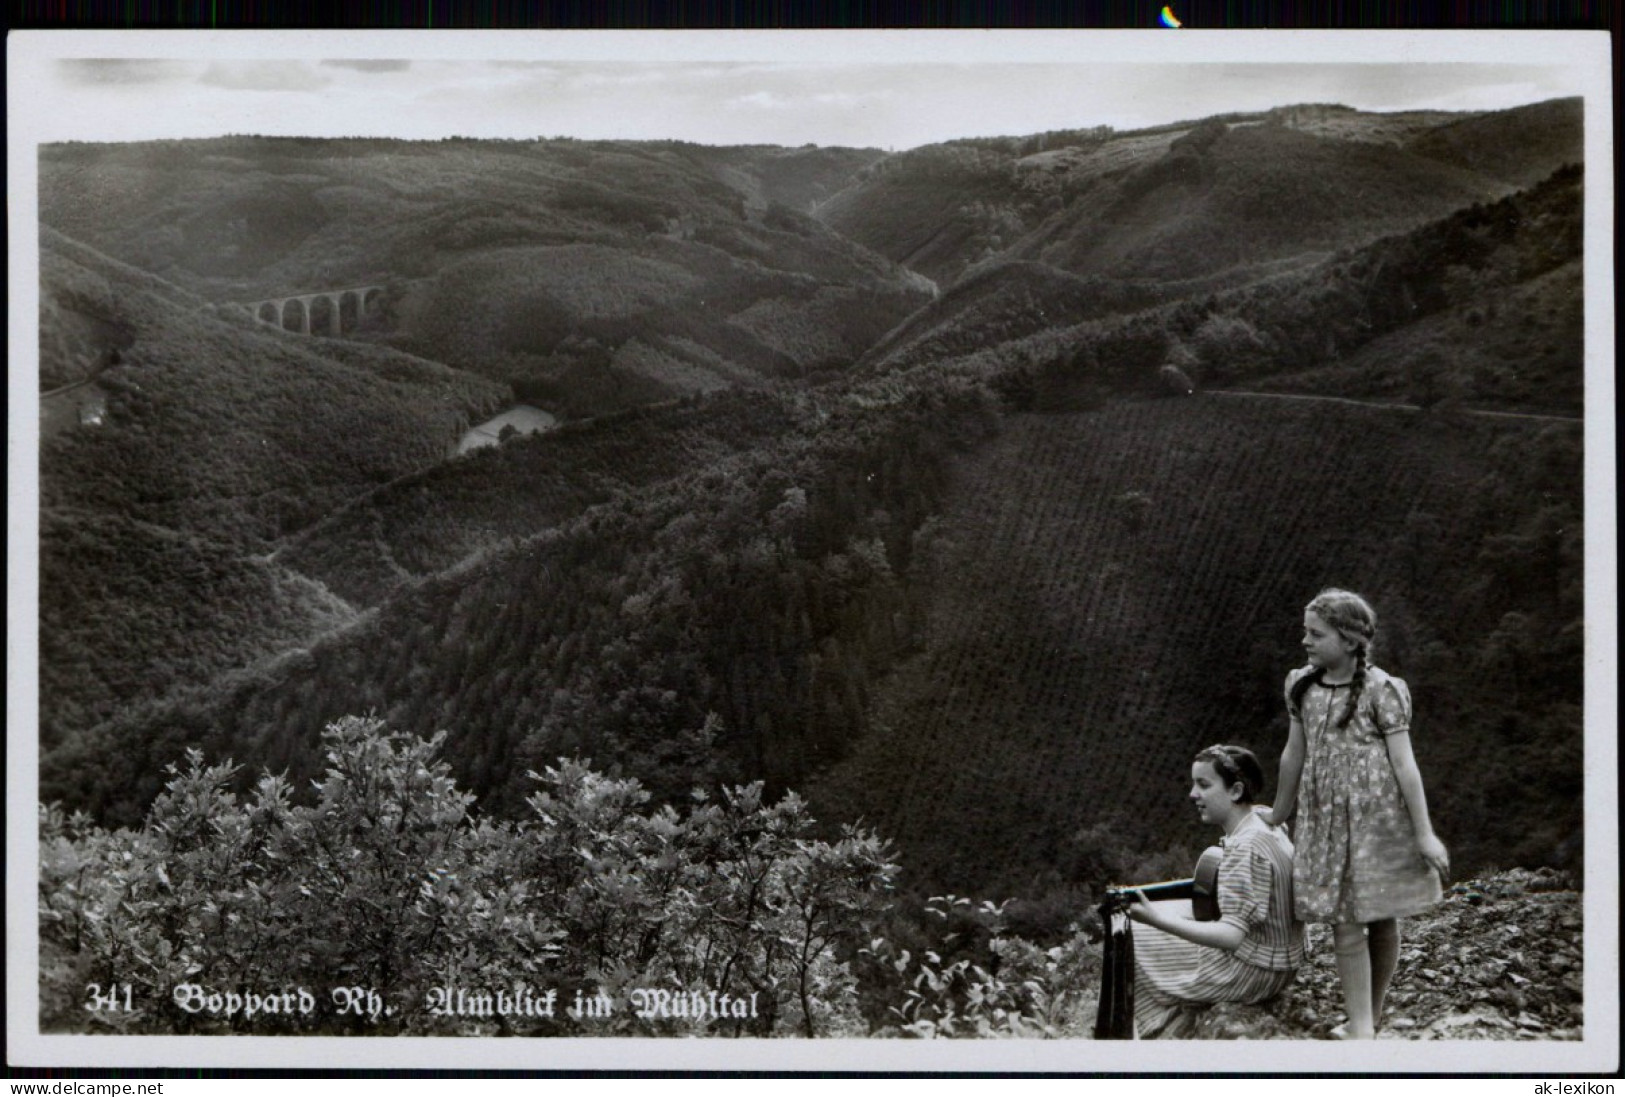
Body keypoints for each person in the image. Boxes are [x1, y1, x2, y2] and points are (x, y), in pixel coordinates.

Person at [1260, 588, 1449, 1039]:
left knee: (1382, 917)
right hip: (1325, 820)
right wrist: (1279, 812)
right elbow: (1293, 753)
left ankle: (1372, 1016)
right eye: (1305, 632)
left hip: (1378, 821)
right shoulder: (1301, 686)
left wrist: (1424, 834)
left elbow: (1405, 765)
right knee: (1345, 922)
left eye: (1315, 634)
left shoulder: (1383, 691)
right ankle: (1362, 1029)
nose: (1304, 641)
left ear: (1348, 641)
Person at [1125, 745, 1304, 1039]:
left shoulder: (1244, 848)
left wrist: (1156, 920)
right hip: (1282, 960)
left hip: (1254, 972)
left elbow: (1231, 936)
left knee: (1131, 935)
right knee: (1177, 913)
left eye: (1204, 785)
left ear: (1235, 791)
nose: (1193, 794)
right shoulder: (1262, 819)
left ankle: (1148, 1029)